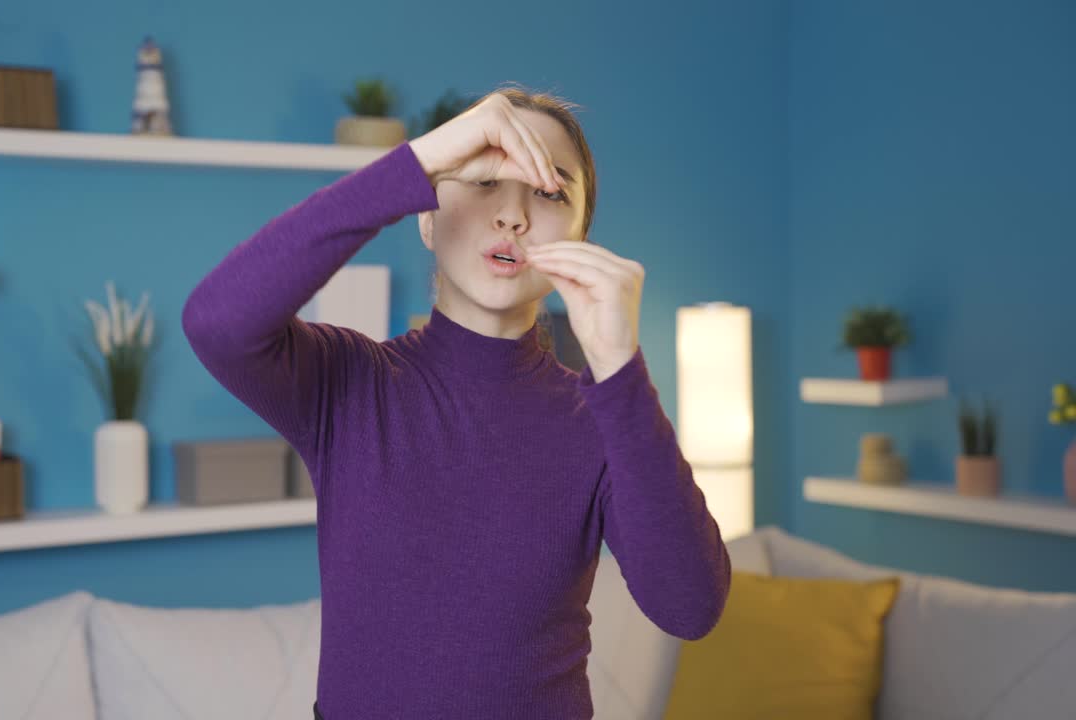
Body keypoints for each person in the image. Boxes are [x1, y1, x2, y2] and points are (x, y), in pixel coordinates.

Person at [181, 83, 731, 720]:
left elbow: (691, 608)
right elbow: (216, 323)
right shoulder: (351, 383)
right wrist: (415, 164)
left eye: (550, 192)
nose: (513, 215)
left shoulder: (604, 418)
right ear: (424, 214)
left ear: (581, 237)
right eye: (482, 181)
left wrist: (619, 369)